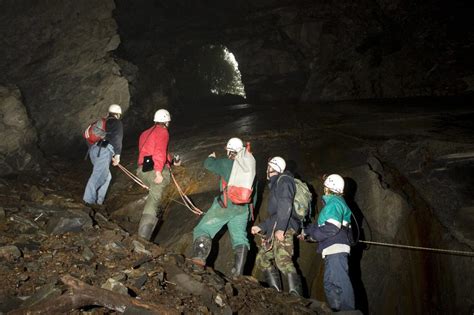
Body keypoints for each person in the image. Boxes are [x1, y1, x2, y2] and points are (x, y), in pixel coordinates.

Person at [192, 137, 255, 277]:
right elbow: (253, 195)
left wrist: (211, 156)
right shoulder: (250, 169)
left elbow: (208, 164)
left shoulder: (226, 163)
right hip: (243, 208)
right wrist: (250, 211)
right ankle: (238, 274)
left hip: (226, 204)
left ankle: (198, 261)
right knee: (240, 238)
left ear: (229, 151)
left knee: (202, 229)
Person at [251, 156, 303, 296]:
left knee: (283, 261)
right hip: (277, 226)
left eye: (268, 167)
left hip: (285, 226)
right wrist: (261, 227)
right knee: (262, 259)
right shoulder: (276, 185)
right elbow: (275, 214)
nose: (266, 170)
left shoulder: (284, 180)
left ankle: (296, 295)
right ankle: (276, 291)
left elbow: (285, 205)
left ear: (272, 168)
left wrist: (281, 228)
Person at [302, 174, 355, 311]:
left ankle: (348, 311)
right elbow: (321, 226)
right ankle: (337, 310)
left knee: (339, 280)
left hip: (336, 247)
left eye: (324, 186)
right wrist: (306, 231)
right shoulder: (334, 203)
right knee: (329, 283)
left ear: (328, 188)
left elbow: (331, 227)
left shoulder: (334, 203)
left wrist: (313, 236)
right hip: (332, 248)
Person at [136, 109, 180, 241]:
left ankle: (147, 228)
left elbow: (153, 151)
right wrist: (158, 172)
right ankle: (142, 238)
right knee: (155, 195)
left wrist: (172, 161)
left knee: (155, 196)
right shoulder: (163, 131)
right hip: (154, 170)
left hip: (141, 170)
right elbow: (159, 152)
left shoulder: (145, 133)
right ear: (166, 121)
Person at [83, 104, 123, 206]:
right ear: (118, 114)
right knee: (99, 175)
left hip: (93, 150)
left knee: (107, 176)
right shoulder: (116, 122)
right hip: (103, 151)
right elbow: (117, 137)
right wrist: (117, 155)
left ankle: (98, 202)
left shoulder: (102, 122)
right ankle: (88, 201)